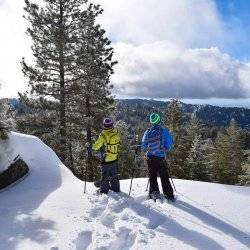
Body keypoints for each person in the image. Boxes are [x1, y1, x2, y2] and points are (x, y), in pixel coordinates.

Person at [141, 113, 175, 201]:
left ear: (151, 122)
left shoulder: (147, 132)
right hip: (160, 158)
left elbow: (144, 145)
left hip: (150, 158)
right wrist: (164, 148)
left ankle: (154, 193)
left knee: (152, 176)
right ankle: (169, 194)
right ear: (159, 120)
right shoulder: (164, 131)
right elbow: (169, 145)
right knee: (164, 176)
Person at [89, 117, 120, 194]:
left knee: (105, 176)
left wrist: (89, 147)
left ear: (104, 125)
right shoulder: (115, 132)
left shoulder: (103, 135)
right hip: (114, 157)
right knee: (114, 176)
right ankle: (116, 189)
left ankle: (104, 190)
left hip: (105, 159)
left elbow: (96, 146)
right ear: (112, 124)